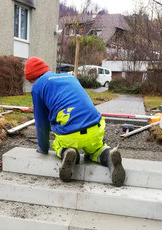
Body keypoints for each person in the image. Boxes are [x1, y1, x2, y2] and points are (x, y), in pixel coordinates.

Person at [24, 57, 125, 187]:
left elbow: (41, 122)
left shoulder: (38, 86)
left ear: (32, 78)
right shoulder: (70, 77)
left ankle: (69, 152)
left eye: (30, 81)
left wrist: (42, 148)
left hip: (70, 134)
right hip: (95, 126)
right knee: (96, 149)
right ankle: (109, 155)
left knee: (58, 144)